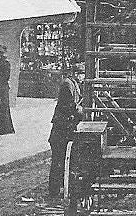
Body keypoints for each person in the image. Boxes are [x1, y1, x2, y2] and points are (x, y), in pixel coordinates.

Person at [48, 63, 85, 203]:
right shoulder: (67, 85)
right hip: (61, 129)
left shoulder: (73, 84)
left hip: (65, 128)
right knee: (58, 160)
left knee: (62, 160)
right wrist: (82, 111)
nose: (82, 77)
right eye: (81, 74)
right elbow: (69, 105)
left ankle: (59, 188)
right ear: (76, 73)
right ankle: (54, 191)